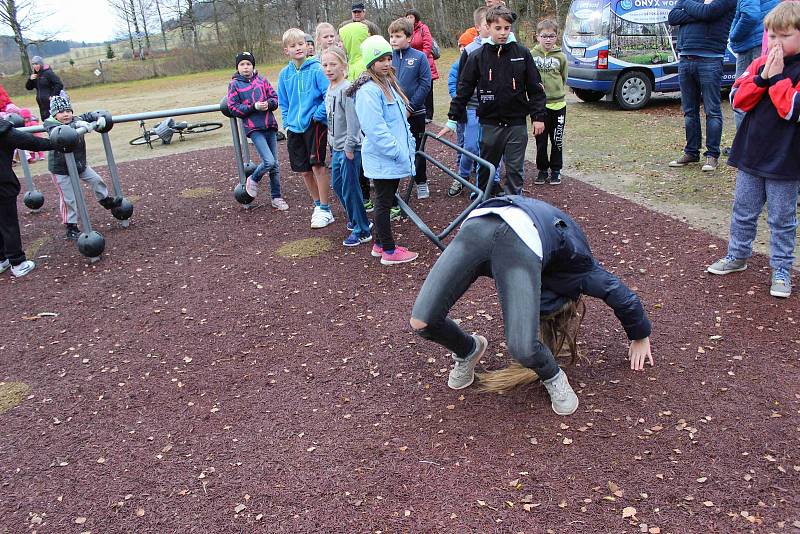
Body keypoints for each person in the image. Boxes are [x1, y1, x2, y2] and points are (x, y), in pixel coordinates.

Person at [409, 196, 654, 416]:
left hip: (515, 244)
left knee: (522, 347)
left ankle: (553, 375)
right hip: (488, 221)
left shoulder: (539, 278)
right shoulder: (580, 268)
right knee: (422, 321)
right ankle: (468, 349)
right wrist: (640, 335)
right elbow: (619, 293)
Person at [706, 1, 800, 298]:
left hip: (786, 159)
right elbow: (737, 99)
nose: (776, 42)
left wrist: (778, 79)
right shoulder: (759, 63)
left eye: (784, 36)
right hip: (751, 152)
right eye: (772, 35)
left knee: (782, 218)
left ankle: (782, 269)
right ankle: (737, 255)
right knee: (743, 210)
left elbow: (792, 110)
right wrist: (762, 78)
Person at [445, 5, 546, 197]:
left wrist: (538, 116)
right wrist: (452, 118)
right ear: (488, 27)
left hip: (516, 124)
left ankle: (513, 207)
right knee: (487, 169)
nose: (503, 33)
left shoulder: (522, 54)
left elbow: (535, 88)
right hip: (490, 123)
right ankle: (484, 204)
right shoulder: (477, 56)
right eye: (498, 28)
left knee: (515, 170)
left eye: (507, 28)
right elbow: (463, 89)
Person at [350, 35, 419, 265]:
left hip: (392, 156)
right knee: (383, 202)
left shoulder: (388, 84)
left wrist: (406, 146)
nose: (387, 63)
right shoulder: (369, 90)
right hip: (385, 157)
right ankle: (389, 251)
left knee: (385, 199)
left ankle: (379, 245)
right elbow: (375, 128)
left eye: (389, 58)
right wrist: (396, 151)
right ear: (371, 62)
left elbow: (398, 120)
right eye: (380, 59)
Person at [667, 0, 737, 172]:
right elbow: (672, 17)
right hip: (685, 58)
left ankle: (712, 155)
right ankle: (691, 152)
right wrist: (701, 12)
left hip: (711, 59)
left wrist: (686, 5)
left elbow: (708, 12)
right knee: (689, 111)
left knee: (712, 110)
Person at [44, 96, 122, 241]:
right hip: (61, 169)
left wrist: (98, 117)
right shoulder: (50, 124)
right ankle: (70, 226)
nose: (66, 114)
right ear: (54, 114)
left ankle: (104, 199)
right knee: (69, 198)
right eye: (61, 112)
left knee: (97, 180)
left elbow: (88, 115)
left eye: (68, 110)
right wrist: (78, 126)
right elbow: (59, 132)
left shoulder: (75, 119)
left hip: (79, 164)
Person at [278, 28, 333, 229]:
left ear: (307, 46)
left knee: (318, 165)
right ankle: (317, 205)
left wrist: (316, 116)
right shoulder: (285, 74)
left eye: (301, 44)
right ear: (286, 51)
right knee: (304, 171)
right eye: (293, 46)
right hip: (294, 128)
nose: (298, 48)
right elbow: (283, 101)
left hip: (314, 125)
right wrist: (286, 121)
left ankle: (325, 208)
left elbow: (328, 94)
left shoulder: (317, 69)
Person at [322, 46, 373, 247]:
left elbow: (354, 122)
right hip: (336, 147)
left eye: (333, 64)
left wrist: (350, 146)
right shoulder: (331, 88)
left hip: (349, 149)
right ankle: (356, 217)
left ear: (344, 66)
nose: (328, 68)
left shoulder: (347, 89)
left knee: (351, 188)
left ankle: (362, 230)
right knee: (338, 184)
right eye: (325, 65)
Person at [226, 52, 289, 211]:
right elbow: (233, 107)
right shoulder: (234, 85)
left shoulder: (262, 80)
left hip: (269, 125)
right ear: (237, 67)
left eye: (248, 64)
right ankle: (253, 179)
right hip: (254, 128)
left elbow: (275, 99)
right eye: (242, 64)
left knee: (275, 165)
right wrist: (253, 107)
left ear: (253, 66)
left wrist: (268, 104)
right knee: (269, 161)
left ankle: (276, 197)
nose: (245, 67)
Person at [445, 7, 493, 197]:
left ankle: (488, 184)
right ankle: (462, 177)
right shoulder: (470, 50)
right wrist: (457, 111)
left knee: (491, 147)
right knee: (471, 146)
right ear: (478, 27)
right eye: (487, 25)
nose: (491, 29)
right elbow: (461, 83)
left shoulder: (502, 48)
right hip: (473, 106)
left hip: (493, 108)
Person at [0, 118, 53, 278]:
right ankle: (18, 263)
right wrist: (55, 143)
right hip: (2, 185)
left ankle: (2, 259)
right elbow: (29, 142)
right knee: (8, 224)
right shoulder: (3, 131)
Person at [389, 17, 432, 200]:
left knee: (417, 148)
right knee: (395, 149)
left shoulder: (419, 57)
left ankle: (421, 182)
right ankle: (394, 186)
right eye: (391, 36)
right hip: (393, 112)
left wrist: (410, 107)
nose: (393, 39)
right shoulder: (387, 58)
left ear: (409, 37)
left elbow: (425, 85)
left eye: (398, 36)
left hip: (415, 112)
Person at [339, 21, 374, 212]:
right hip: (358, 122)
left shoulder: (360, 65)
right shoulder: (352, 62)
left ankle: (368, 196)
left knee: (364, 160)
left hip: (362, 122)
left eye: (342, 40)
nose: (340, 44)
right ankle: (366, 195)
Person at [730, 0, 780, 131]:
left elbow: (750, 15)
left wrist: (733, 35)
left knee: (742, 94)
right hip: (764, 40)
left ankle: (744, 144)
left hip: (751, 44)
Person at [531, 19, 568, 186]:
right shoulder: (531, 55)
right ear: (537, 36)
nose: (548, 39)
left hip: (558, 105)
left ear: (556, 37)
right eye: (544, 36)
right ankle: (542, 170)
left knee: (556, 140)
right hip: (539, 107)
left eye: (551, 36)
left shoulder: (561, 57)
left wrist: (557, 92)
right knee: (541, 141)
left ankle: (556, 170)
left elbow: (563, 77)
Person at [405, 10, 439, 123]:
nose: (409, 19)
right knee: (416, 88)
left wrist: (420, 59)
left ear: (416, 18)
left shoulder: (423, 28)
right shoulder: (406, 31)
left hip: (425, 61)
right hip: (411, 63)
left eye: (411, 17)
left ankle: (429, 115)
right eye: (407, 17)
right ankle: (418, 111)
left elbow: (427, 44)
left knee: (427, 89)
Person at [24, 56, 64, 121]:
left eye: (37, 64)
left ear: (41, 64)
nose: (35, 66)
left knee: (55, 120)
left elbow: (59, 84)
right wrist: (30, 80)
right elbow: (28, 87)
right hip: (41, 105)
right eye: (33, 64)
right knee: (46, 121)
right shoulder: (35, 75)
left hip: (51, 102)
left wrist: (53, 96)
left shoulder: (48, 73)